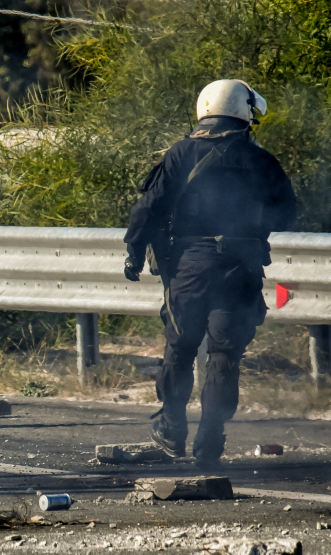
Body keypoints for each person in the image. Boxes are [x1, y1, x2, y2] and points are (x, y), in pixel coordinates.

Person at [123, 80, 297, 469]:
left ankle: (171, 430)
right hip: (241, 266)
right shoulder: (261, 159)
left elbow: (150, 206)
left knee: (181, 348)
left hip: (190, 267)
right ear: (243, 112)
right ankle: (210, 442)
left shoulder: (181, 152)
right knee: (224, 355)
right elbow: (288, 212)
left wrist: (134, 250)